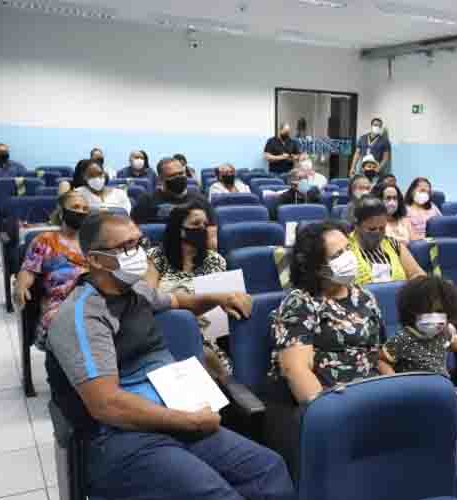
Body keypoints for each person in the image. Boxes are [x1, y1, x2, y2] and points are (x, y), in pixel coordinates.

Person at [45, 213, 294, 500]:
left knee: (268, 470)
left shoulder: (133, 289)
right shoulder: (83, 316)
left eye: (139, 243)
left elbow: (175, 301)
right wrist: (190, 422)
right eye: (125, 247)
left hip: (173, 411)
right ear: (96, 260)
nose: (137, 253)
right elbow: (107, 405)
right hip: (121, 437)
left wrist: (217, 298)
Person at [264, 221, 384, 477]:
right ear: (317, 267)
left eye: (348, 249)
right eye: (338, 255)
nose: (348, 258)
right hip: (327, 404)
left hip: (368, 396)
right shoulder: (301, 302)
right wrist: (334, 418)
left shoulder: (365, 297)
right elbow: (295, 370)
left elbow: (378, 354)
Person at [378, 276, 457, 424]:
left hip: (444, 391)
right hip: (415, 394)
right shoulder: (403, 338)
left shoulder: (442, 332)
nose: (435, 316)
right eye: (428, 310)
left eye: (440, 311)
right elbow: (382, 359)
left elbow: (452, 343)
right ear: (412, 311)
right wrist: (394, 380)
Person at [145, 200, 236, 381]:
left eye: (205, 224)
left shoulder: (215, 260)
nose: (202, 228)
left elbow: (217, 313)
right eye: (196, 224)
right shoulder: (156, 256)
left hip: (205, 336)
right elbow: (149, 298)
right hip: (163, 333)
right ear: (180, 229)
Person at [13, 191, 89, 350]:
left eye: (85, 209)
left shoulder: (95, 240)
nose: (81, 212)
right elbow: (28, 270)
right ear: (62, 212)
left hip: (93, 302)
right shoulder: (46, 240)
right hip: (60, 306)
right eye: (75, 207)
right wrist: (21, 286)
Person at [132, 157, 218, 248]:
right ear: (161, 179)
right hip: (158, 252)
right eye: (172, 175)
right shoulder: (146, 201)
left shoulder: (200, 200)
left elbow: (211, 234)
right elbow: (135, 233)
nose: (178, 178)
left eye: (181, 173)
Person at [348, 196, 425, 285]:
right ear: (357, 226)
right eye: (372, 229)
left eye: (382, 228)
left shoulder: (393, 244)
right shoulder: (345, 247)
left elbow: (417, 273)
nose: (377, 233)